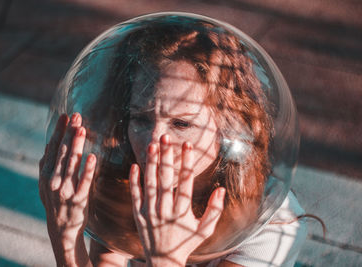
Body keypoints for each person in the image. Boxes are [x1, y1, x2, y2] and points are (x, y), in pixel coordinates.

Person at [39, 17, 307, 267]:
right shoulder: (126, 179)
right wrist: (65, 237)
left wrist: (165, 258)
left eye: (181, 124)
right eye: (141, 120)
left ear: (228, 126)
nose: (153, 145)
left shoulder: (272, 225)